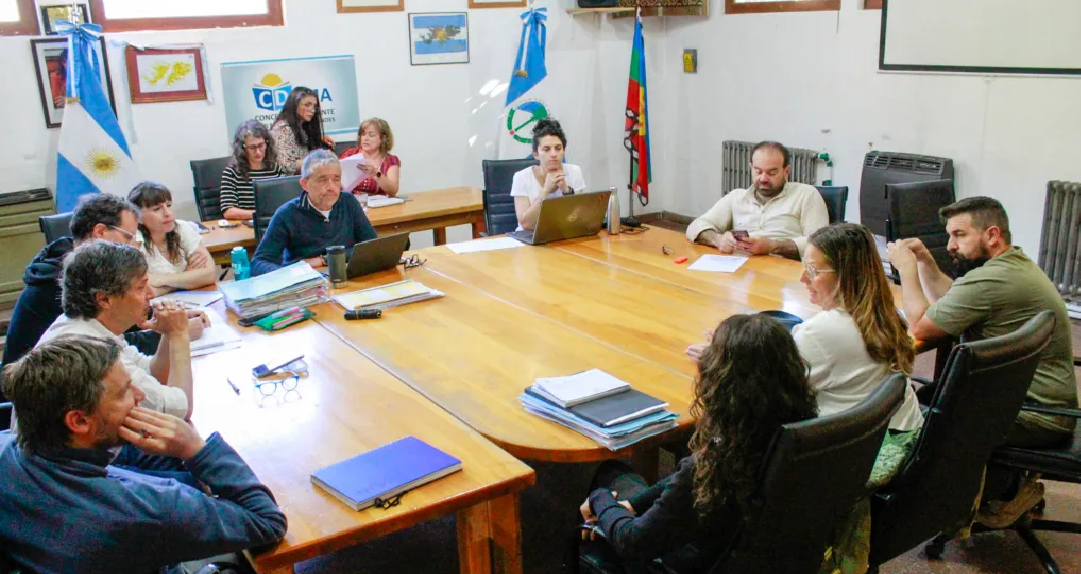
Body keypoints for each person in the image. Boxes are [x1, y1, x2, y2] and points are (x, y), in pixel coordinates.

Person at [0, 336, 287, 574]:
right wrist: (195, 449)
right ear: (79, 421)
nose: (139, 395)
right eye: (124, 391)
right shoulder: (150, 508)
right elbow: (266, 522)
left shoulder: (6, 451)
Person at [576, 314, 818, 574]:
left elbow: (634, 542)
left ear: (722, 384)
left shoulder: (716, 464)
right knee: (622, 482)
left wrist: (599, 500)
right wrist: (634, 504)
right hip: (752, 555)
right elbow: (682, 480)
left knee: (605, 482)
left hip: (681, 563)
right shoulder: (797, 434)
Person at [687, 223, 924, 432]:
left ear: (845, 275)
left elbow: (760, 392)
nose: (803, 279)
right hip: (902, 434)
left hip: (865, 458)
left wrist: (720, 354)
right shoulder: (883, 313)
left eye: (813, 270)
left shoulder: (822, 333)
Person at [887, 197, 1077, 448]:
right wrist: (924, 260)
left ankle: (977, 485)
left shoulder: (990, 280)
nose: (950, 246)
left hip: (1031, 417)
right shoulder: (1011, 265)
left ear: (992, 235)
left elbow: (919, 326)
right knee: (925, 397)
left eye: (959, 235)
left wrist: (906, 269)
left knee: (902, 418)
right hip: (1044, 407)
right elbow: (953, 299)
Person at [2, 194, 168, 371]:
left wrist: (163, 318)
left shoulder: (76, 259)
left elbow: (121, 320)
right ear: (100, 232)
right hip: (39, 388)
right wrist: (167, 333)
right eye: (128, 238)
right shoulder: (68, 280)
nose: (134, 247)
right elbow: (103, 342)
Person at [37, 242, 198, 420]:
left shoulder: (87, 325)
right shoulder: (91, 350)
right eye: (140, 287)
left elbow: (152, 373)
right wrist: (179, 334)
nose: (150, 294)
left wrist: (168, 333)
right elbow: (178, 413)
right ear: (105, 300)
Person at [685, 141, 829, 261]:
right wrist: (717, 239)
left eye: (772, 173)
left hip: (786, 275)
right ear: (751, 168)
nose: (763, 179)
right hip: (742, 273)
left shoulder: (806, 194)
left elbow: (821, 243)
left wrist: (773, 246)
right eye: (758, 171)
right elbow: (695, 226)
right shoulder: (736, 197)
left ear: (786, 171)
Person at [251, 150, 377, 276]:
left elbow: (373, 247)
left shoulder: (348, 202)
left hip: (345, 277)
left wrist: (324, 259)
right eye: (323, 180)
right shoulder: (286, 214)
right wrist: (293, 271)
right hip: (305, 282)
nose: (331, 187)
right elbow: (258, 264)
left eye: (336, 179)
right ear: (305, 184)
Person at [128, 181, 217, 297]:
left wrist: (160, 281)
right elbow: (145, 291)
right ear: (138, 217)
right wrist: (187, 276)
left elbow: (209, 275)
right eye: (156, 209)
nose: (167, 213)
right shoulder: (134, 241)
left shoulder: (182, 227)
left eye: (169, 205)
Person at [511, 118, 587, 231]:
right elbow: (525, 224)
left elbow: (579, 218)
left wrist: (566, 191)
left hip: (563, 235)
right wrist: (545, 192)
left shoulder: (574, 172)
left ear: (563, 150)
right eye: (546, 149)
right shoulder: (521, 177)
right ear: (536, 154)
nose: (553, 154)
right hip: (529, 239)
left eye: (558, 148)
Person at [220, 119, 293, 220]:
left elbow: (287, 201)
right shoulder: (232, 173)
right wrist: (260, 214)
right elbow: (229, 211)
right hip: (246, 226)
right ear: (242, 148)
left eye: (261, 145)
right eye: (252, 147)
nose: (258, 152)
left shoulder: (275, 168)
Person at [271, 86, 334, 173]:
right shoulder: (284, 129)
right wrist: (319, 159)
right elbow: (286, 166)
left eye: (314, 106)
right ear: (295, 105)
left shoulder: (300, 126)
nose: (312, 110)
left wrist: (318, 138)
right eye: (307, 105)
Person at [339, 117, 402, 198]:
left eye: (371, 135)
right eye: (363, 134)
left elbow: (393, 190)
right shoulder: (349, 154)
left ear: (383, 139)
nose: (365, 138)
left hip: (378, 206)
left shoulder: (390, 160)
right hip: (350, 204)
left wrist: (375, 173)